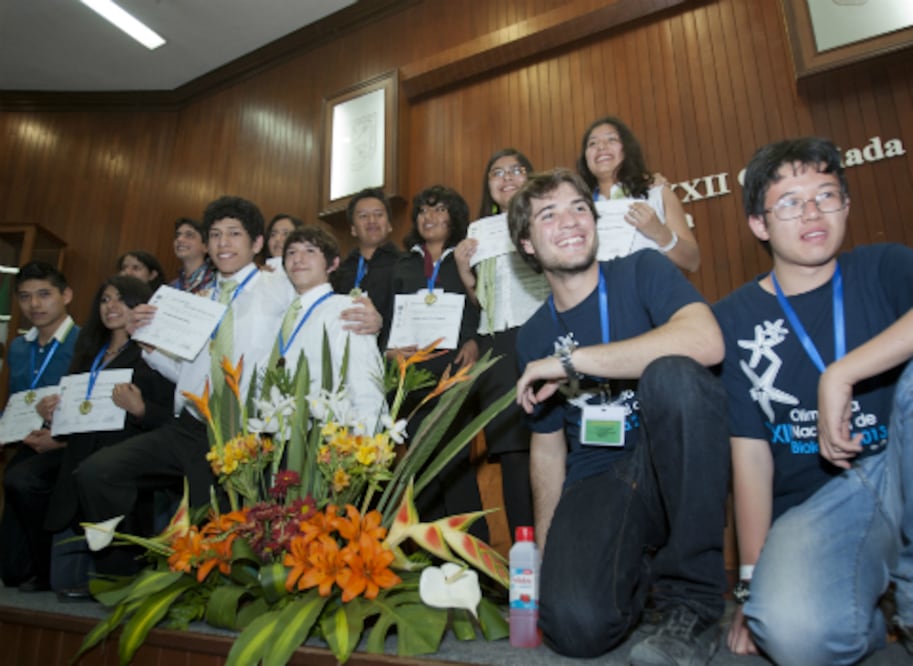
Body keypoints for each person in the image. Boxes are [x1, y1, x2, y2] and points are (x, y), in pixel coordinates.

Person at [510, 169, 729, 662]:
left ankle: (692, 604)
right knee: (573, 626)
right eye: (549, 214)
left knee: (673, 375)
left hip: (668, 458)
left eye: (578, 208)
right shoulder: (532, 336)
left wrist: (574, 360)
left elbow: (707, 342)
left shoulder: (642, 271)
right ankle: (637, 572)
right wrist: (550, 561)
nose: (570, 221)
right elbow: (546, 451)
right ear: (527, 244)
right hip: (600, 477)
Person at [714, 137, 913, 664]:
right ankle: (864, 611)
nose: (811, 212)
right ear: (759, 223)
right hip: (823, 511)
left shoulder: (885, 268)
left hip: (902, 471)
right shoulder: (733, 318)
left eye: (826, 195)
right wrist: (749, 590)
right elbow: (750, 459)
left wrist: (840, 376)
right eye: (789, 202)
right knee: (791, 632)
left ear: (846, 206)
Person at [76, 196, 293, 526]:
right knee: (98, 472)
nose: (223, 243)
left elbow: (317, 302)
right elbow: (185, 372)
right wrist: (148, 345)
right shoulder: (196, 301)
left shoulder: (278, 287)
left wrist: (364, 311)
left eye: (234, 233)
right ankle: (118, 560)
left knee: (218, 530)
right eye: (216, 234)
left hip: (243, 432)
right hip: (189, 426)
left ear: (257, 242)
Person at [25, 276, 173, 584]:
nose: (112, 306)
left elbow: (172, 420)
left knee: (109, 587)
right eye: (105, 300)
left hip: (121, 477)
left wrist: (141, 410)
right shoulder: (88, 351)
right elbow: (77, 415)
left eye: (122, 300)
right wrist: (52, 415)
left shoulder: (155, 355)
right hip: (74, 468)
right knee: (64, 590)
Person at [454, 148, 548, 535]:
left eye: (516, 170)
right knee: (511, 455)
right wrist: (463, 268)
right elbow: (482, 300)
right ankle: (525, 561)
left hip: (541, 336)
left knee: (553, 443)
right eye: (497, 172)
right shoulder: (480, 231)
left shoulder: (544, 219)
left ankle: (561, 554)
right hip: (496, 345)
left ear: (529, 178)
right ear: (489, 186)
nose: (507, 177)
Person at [390, 185, 487, 540]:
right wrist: (390, 349)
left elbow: (486, 302)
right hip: (413, 377)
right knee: (420, 469)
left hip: (455, 374)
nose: (429, 218)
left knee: (456, 465)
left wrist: (475, 339)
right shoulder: (402, 264)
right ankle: (428, 557)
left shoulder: (469, 255)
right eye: (423, 212)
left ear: (455, 217)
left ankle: (475, 555)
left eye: (439, 210)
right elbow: (388, 318)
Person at [0, 262, 79, 590]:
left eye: (44, 295)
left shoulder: (84, 341)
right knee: (11, 572)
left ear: (66, 295)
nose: (34, 305)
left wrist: (60, 440)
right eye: (25, 297)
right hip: (29, 443)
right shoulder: (19, 348)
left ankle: (48, 569)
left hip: (68, 446)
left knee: (22, 480)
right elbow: (17, 399)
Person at [269, 225, 385, 421]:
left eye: (310, 251)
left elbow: (367, 389)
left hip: (327, 436)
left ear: (332, 264)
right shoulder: (284, 314)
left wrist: (365, 445)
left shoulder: (348, 309)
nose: (298, 259)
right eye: (291, 252)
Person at [577, 116, 699, 272]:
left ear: (627, 149)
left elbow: (693, 262)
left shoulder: (657, 194)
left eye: (611, 139)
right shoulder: (579, 209)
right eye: (592, 143)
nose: (601, 146)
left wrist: (660, 233)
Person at [330, 188, 401, 347]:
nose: (372, 220)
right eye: (363, 216)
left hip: (391, 361)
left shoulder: (406, 266)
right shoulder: (338, 272)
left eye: (378, 214)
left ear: (389, 225)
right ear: (353, 229)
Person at [170, 217, 216, 294]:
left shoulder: (218, 283)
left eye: (189, 235)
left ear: (206, 247)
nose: (180, 239)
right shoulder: (172, 287)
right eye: (177, 235)